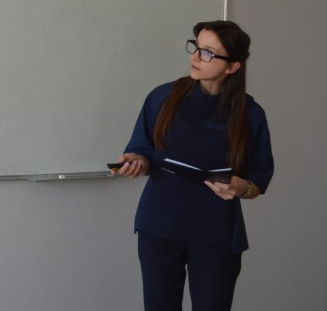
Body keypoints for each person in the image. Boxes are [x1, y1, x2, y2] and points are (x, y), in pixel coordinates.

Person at [113, 20, 274, 311]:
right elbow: (142, 150)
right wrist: (137, 161)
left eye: (208, 52)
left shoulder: (250, 114)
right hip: (158, 226)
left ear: (232, 66)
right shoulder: (162, 97)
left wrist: (242, 187)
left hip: (215, 232)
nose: (196, 56)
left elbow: (257, 181)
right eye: (196, 47)